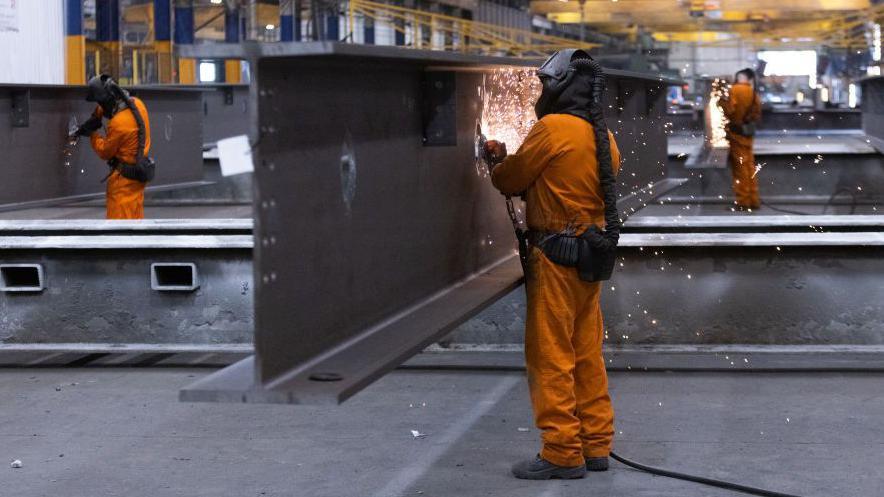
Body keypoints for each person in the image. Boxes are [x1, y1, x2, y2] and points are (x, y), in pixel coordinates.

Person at [483, 49, 621, 480]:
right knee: (586, 353)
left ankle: (562, 451)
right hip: (591, 257)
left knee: (551, 357)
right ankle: (596, 444)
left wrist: (497, 159)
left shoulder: (552, 128)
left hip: (556, 258)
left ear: (562, 89)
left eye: (546, 85)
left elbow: (511, 180)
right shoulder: (605, 138)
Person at [74, 74, 152, 219]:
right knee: (135, 221)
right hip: (137, 178)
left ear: (108, 100)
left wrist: (92, 134)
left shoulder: (119, 123)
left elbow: (105, 151)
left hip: (123, 183)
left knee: (119, 230)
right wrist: (97, 115)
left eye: (100, 103)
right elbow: (111, 108)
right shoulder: (138, 104)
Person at [719, 68, 762, 211]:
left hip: (736, 135)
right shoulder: (754, 93)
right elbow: (756, 115)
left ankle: (743, 201)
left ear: (739, 77)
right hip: (747, 135)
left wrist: (721, 101)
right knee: (750, 167)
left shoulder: (734, 90)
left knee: (740, 168)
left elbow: (729, 110)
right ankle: (753, 200)